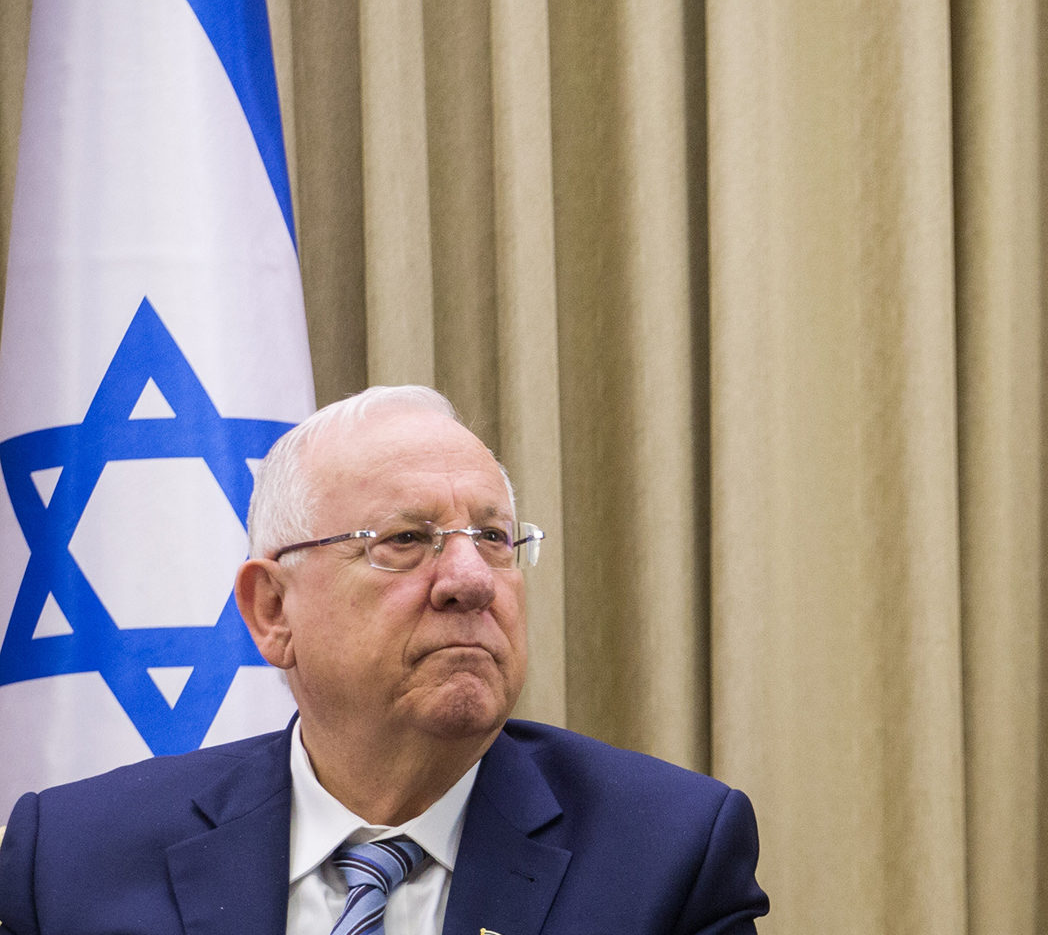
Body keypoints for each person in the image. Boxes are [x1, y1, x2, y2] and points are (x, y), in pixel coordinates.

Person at [0, 385, 768, 933]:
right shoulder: (71, 860)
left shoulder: (667, 854)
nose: (470, 580)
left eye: (495, 538)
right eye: (406, 540)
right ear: (273, 611)